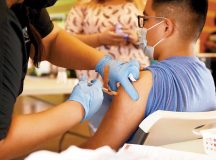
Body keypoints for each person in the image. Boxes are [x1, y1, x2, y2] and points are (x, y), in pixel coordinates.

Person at [0, 0, 141, 160]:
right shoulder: (4, 26)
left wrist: (103, 63)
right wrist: (76, 108)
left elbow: (51, 40)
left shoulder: (25, 5)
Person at [80, 0, 216, 150]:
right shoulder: (208, 79)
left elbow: (95, 151)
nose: (141, 28)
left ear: (166, 27)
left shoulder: (140, 85)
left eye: (145, 19)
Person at [65, 0, 149, 132]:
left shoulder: (140, 5)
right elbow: (66, 41)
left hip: (134, 81)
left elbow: (155, 39)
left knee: (136, 133)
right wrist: (99, 39)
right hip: (96, 82)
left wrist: (136, 37)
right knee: (102, 132)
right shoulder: (83, 7)